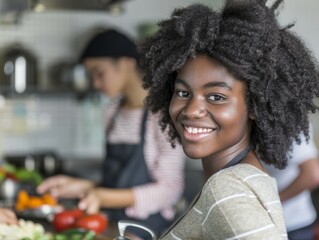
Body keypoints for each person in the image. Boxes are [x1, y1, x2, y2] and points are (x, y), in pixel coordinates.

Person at [139, 0, 319, 239]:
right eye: (183, 93)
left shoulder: (225, 191)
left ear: (254, 105)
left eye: (216, 96)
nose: (192, 110)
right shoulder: (239, 176)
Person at [37, 29, 185, 239]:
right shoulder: (112, 112)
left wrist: (101, 196)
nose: (95, 83)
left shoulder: (161, 114)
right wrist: (82, 186)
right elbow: (120, 181)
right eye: (91, 76)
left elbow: (169, 191)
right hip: (111, 222)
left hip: (148, 229)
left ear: (126, 63)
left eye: (99, 73)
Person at [265, 125, 319, 240]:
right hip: (278, 223)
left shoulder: (290, 123)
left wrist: (273, 202)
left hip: (292, 225)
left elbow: (313, 174)